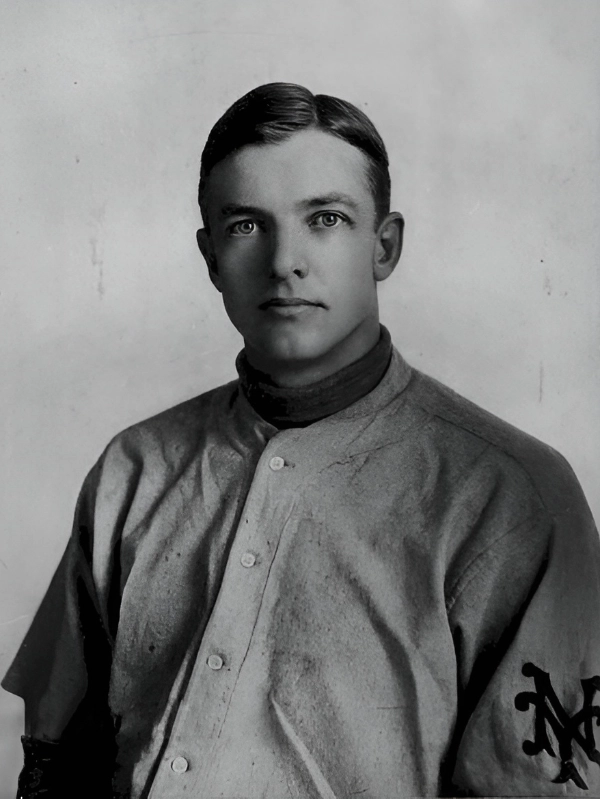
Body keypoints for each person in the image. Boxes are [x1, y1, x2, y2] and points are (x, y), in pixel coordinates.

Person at [4, 82, 600, 799]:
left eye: (325, 217)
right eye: (247, 225)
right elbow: (56, 761)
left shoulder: (514, 495)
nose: (285, 259)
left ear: (384, 246)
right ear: (210, 256)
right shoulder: (134, 467)